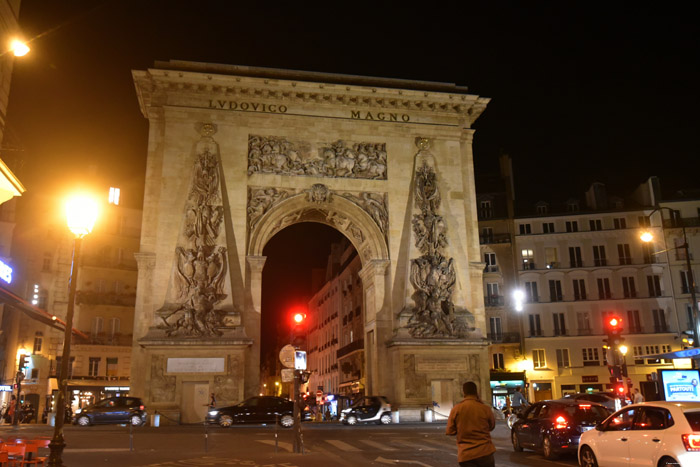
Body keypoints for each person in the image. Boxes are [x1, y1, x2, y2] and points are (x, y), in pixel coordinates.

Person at [446, 381, 496, 467]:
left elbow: (450, 431)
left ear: (463, 392)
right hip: (485, 452)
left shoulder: (456, 409)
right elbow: (491, 426)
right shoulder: (485, 408)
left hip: (466, 454)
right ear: (476, 392)